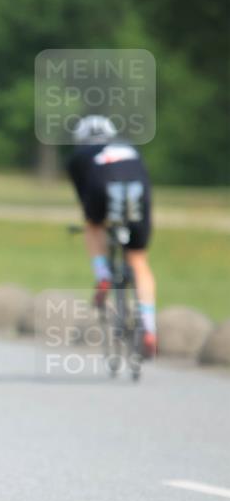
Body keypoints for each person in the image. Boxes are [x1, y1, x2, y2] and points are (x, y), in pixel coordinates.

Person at [67, 115, 157, 357]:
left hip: (101, 189)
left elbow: (85, 199)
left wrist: (96, 221)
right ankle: (149, 327)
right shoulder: (130, 148)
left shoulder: (79, 157)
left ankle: (103, 274)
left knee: (92, 225)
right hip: (138, 193)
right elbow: (146, 181)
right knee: (138, 259)